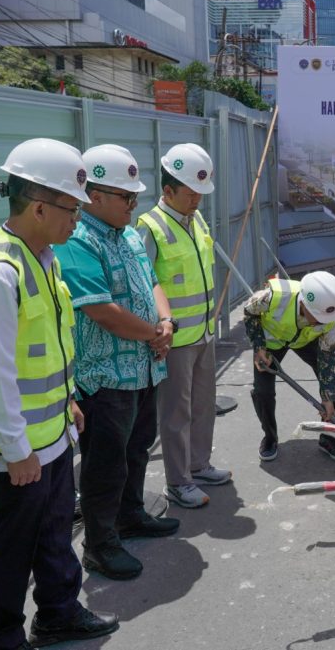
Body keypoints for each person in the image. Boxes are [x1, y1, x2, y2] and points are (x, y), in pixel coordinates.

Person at [0, 139, 118, 648]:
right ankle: (3, 639)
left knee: (52, 537)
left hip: (49, 436)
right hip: (17, 452)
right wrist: (16, 448)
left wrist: (67, 400)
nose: (78, 218)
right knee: (9, 551)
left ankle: (58, 613)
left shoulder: (43, 258)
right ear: (40, 206)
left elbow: (47, 348)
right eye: (73, 208)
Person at [54, 143, 178, 582]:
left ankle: (131, 516)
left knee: (137, 450)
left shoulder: (126, 233)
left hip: (144, 368)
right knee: (105, 465)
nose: (133, 204)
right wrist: (155, 333)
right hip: (105, 377)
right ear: (95, 196)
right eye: (126, 197)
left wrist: (164, 320)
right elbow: (101, 310)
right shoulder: (77, 240)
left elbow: (153, 279)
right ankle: (100, 545)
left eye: (135, 197)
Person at [137, 143, 230, 509]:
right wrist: (159, 328)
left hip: (203, 334)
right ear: (167, 190)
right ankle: (178, 481)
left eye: (200, 194)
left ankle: (199, 464)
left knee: (203, 405)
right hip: (173, 342)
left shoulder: (196, 219)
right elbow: (144, 285)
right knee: (176, 413)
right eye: (190, 194)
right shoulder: (150, 228)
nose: (196, 201)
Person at [244, 272, 335, 462]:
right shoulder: (272, 296)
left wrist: (328, 398)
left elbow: (326, 355)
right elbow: (249, 312)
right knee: (263, 391)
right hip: (272, 340)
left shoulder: (328, 314)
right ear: (303, 303)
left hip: (304, 340)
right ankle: (270, 438)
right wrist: (259, 346)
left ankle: (330, 438)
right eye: (317, 318)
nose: (322, 323)